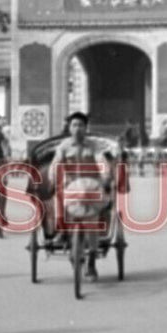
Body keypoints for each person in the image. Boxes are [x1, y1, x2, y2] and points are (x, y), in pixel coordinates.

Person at [45, 111, 117, 282]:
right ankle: (61, 230)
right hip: (70, 186)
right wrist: (54, 178)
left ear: (86, 128)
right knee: (57, 198)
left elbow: (102, 163)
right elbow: (55, 165)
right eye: (74, 125)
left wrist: (106, 177)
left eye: (81, 125)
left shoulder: (94, 146)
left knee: (92, 224)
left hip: (91, 187)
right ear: (69, 128)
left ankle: (91, 261)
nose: (77, 129)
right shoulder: (63, 147)